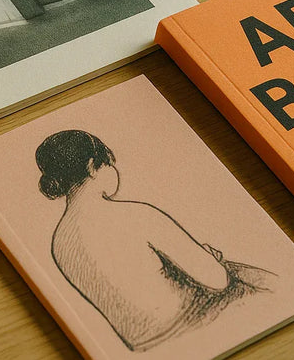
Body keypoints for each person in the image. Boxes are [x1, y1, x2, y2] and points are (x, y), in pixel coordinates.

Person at [35, 130, 272, 352]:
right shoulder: (137, 214)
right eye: (109, 163)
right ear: (92, 167)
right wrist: (209, 258)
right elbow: (217, 280)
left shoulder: (60, 242)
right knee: (252, 276)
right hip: (196, 323)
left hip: (144, 344)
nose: (113, 170)